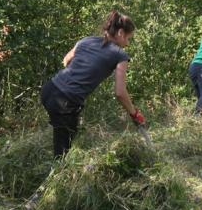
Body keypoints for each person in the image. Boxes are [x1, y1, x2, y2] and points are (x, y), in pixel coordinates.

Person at [40, 10, 145, 159]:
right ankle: (55, 177)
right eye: (128, 38)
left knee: (65, 136)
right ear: (121, 33)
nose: (127, 43)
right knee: (62, 155)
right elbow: (120, 92)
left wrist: (81, 72)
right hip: (65, 101)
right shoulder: (120, 55)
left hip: (50, 90)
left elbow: (66, 60)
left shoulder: (86, 40)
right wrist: (134, 113)